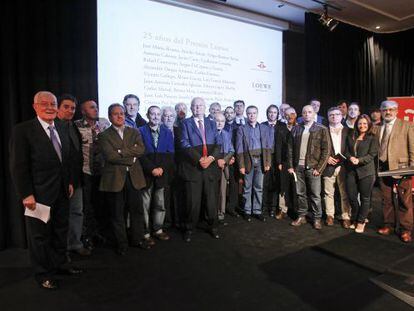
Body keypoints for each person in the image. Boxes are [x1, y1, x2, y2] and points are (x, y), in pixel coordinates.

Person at [9, 91, 82, 290]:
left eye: (53, 103)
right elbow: (19, 166)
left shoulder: (61, 126)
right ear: (35, 106)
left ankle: (59, 265)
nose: (49, 107)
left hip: (61, 192)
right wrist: (26, 194)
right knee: (39, 236)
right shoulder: (23, 130)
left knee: (60, 231)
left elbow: (65, 160)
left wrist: (69, 182)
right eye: (44, 103)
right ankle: (43, 274)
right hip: (37, 195)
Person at [98, 104, 148, 255]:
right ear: (110, 116)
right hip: (114, 180)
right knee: (117, 213)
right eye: (115, 114)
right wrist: (130, 157)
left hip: (134, 178)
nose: (119, 116)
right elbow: (110, 156)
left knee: (137, 211)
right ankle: (122, 243)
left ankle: (137, 239)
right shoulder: (104, 135)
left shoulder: (134, 131)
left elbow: (141, 149)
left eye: (122, 113)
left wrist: (120, 151)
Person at [179, 97, 222, 242]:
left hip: (210, 168)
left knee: (211, 201)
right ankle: (189, 229)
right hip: (193, 168)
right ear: (191, 108)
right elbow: (184, 143)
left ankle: (213, 226)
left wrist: (210, 158)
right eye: (195, 106)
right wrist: (199, 159)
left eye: (200, 106)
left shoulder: (211, 123)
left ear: (205, 108)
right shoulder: (185, 123)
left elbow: (218, 144)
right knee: (192, 202)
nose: (198, 108)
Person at [57, 94, 91, 257]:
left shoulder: (72, 126)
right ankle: (61, 250)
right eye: (66, 107)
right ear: (57, 107)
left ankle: (74, 244)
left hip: (76, 179)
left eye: (73, 108)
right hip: (59, 181)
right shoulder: (52, 127)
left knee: (77, 212)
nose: (70, 111)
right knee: (61, 216)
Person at [74, 100, 110, 250]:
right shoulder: (76, 125)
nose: (96, 109)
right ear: (83, 111)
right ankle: (86, 236)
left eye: (96, 107)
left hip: (104, 171)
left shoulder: (104, 123)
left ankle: (99, 233)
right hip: (86, 171)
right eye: (92, 107)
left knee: (101, 205)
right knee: (86, 206)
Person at [288, 105, 330, 230]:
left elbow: (326, 150)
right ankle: (302, 216)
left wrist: (319, 168)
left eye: (309, 112)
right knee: (300, 193)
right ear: (301, 114)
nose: (307, 114)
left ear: (313, 114)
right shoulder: (296, 129)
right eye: (304, 112)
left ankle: (317, 218)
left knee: (315, 195)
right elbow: (290, 149)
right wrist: (291, 166)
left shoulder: (321, 129)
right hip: (298, 167)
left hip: (313, 168)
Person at [377, 100, 414, 243]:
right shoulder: (377, 128)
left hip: (402, 168)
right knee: (386, 199)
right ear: (381, 111)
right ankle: (388, 225)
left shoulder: (407, 125)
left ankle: (406, 229)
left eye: (391, 109)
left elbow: (412, 147)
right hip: (382, 168)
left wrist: (412, 167)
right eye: (385, 109)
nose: (388, 112)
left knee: (405, 201)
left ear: (397, 111)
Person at [139, 106, 174, 244]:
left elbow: (170, 154)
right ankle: (145, 232)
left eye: (158, 114)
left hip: (161, 174)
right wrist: (151, 169)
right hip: (146, 174)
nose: (155, 116)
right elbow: (140, 153)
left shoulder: (167, 131)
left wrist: (161, 169)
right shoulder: (140, 131)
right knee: (145, 204)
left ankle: (158, 229)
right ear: (147, 115)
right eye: (152, 114)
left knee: (160, 203)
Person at [236, 106, 271, 222]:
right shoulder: (242, 129)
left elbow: (267, 147)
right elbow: (239, 149)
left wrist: (267, 162)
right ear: (247, 114)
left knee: (259, 187)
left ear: (257, 114)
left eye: (254, 113)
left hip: (260, 160)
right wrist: (241, 165)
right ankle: (247, 211)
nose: (252, 115)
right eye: (249, 113)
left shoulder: (264, 128)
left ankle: (257, 211)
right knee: (247, 187)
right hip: (248, 161)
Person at [344, 115, 378, 233]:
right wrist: (350, 157)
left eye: (364, 123)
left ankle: (361, 221)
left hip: (366, 171)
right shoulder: (351, 135)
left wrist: (359, 160)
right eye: (360, 123)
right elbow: (346, 151)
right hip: (351, 171)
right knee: (352, 196)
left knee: (365, 198)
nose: (362, 126)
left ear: (368, 124)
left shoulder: (372, 137)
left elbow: (372, 154)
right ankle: (357, 216)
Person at [322, 107, 352, 228]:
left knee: (344, 192)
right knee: (328, 192)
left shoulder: (349, 131)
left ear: (341, 116)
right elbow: (319, 148)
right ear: (328, 117)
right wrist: (327, 158)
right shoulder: (323, 131)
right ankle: (330, 215)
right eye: (331, 115)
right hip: (328, 165)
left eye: (337, 114)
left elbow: (352, 148)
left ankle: (346, 216)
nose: (334, 117)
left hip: (344, 166)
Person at [275, 107, 297, 219]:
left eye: (292, 114)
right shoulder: (281, 129)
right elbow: (278, 146)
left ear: (296, 115)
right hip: (284, 162)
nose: (290, 116)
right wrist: (279, 162)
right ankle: (282, 209)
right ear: (284, 116)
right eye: (287, 114)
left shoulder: (300, 128)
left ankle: (294, 210)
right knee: (283, 186)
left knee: (295, 186)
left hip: (296, 163)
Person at [215, 112, 236, 223]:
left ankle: (220, 213)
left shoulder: (227, 134)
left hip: (224, 165)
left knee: (222, 191)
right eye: (217, 120)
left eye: (222, 121)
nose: (219, 123)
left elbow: (232, 150)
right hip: (212, 166)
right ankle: (211, 214)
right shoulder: (209, 134)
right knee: (212, 192)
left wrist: (225, 160)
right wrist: (218, 160)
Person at [261, 105, 280, 217]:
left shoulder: (281, 126)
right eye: (270, 112)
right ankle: (264, 206)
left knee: (275, 183)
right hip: (264, 158)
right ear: (267, 113)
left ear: (277, 114)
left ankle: (273, 207)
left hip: (276, 159)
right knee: (264, 183)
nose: (272, 114)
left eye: (274, 112)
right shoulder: (262, 125)